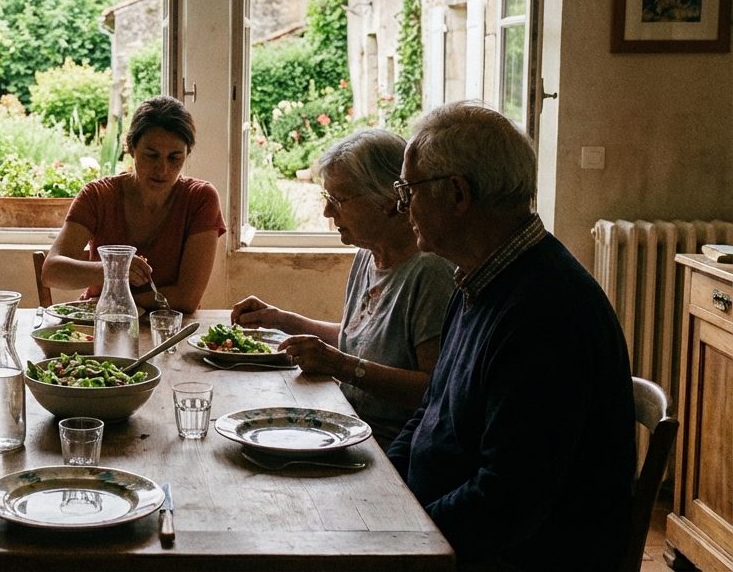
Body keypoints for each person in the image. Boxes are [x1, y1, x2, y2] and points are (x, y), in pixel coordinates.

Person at [386, 101, 635, 569]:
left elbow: (507, 503)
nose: (402, 207)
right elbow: (429, 412)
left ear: (458, 194)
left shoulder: (547, 312)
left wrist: (407, 540)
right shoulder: (478, 278)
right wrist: (386, 491)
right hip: (445, 531)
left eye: (409, 189)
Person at [230, 129, 455, 446]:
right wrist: (281, 320)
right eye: (327, 198)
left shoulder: (431, 272)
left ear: (389, 201)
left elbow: (433, 391)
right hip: (346, 424)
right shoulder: (369, 253)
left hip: (392, 446)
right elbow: (359, 342)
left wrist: (341, 366)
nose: (327, 212)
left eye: (338, 200)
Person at [41, 96, 224, 313]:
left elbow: (187, 299)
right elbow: (51, 271)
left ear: (187, 154)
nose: (162, 169)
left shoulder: (200, 198)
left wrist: (115, 300)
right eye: (151, 155)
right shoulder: (98, 196)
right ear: (130, 147)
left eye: (174, 158)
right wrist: (115, 269)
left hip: (166, 330)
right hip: (102, 325)